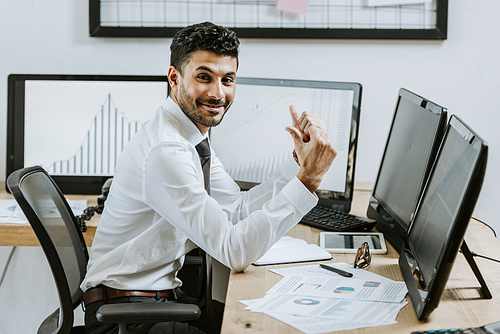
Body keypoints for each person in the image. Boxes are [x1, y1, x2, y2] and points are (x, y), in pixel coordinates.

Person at [81, 21, 337, 334]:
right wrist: (308, 181)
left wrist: (299, 164)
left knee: (272, 322)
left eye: (227, 80)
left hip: (157, 301)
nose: (218, 93)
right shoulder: (166, 151)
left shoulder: (190, 137)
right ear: (174, 78)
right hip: (126, 317)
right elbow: (234, 252)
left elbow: (238, 209)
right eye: (204, 77)